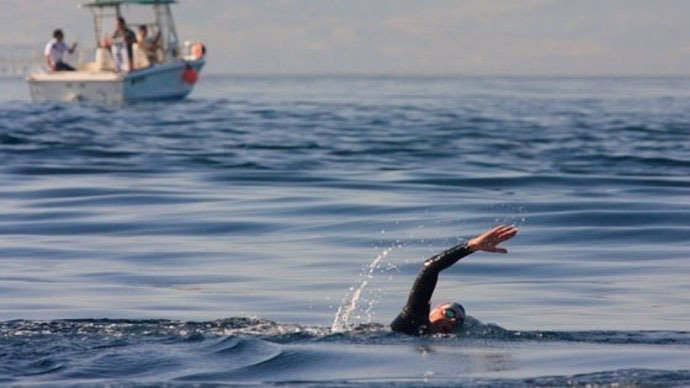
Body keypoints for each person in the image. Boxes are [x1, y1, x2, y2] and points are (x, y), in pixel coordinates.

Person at [391, 225, 518, 336]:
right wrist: (471, 246)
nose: (453, 321)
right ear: (433, 312)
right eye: (449, 314)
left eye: (458, 322)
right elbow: (430, 268)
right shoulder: (413, 319)